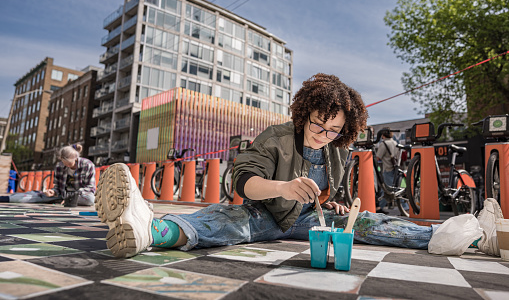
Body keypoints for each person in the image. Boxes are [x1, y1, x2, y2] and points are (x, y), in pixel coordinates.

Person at [95, 73, 502, 259]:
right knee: (227, 221)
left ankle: (467, 238)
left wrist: (339, 205)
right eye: (318, 125)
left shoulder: (337, 150)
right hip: (265, 213)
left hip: (311, 220)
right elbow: (244, 182)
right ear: (304, 113)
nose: (324, 134)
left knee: (371, 224)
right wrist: (284, 188)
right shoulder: (276, 136)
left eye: (334, 130)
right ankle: (150, 230)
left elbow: (333, 194)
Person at [0, 144, 96, 207]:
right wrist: (53, 192)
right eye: (64, 163)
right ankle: (7, 198)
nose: (66, 166)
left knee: (90, 199)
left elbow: (90, 187)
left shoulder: (88, 165)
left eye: (69, 164)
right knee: (36, 197)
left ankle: (64, 200)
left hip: (80, 195)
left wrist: (71, 196)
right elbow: (57, 187)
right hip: (62, 195)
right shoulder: (59, 166)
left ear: (75, 158)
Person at [375, 128, 399, 214]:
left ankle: (378, 208)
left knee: (386, 190)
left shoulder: (384, 143)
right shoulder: (395, 143)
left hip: (387, 168)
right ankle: (405, 207)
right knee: (396, 188)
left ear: (382, 135)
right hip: (395, 168)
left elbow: (378, 157)